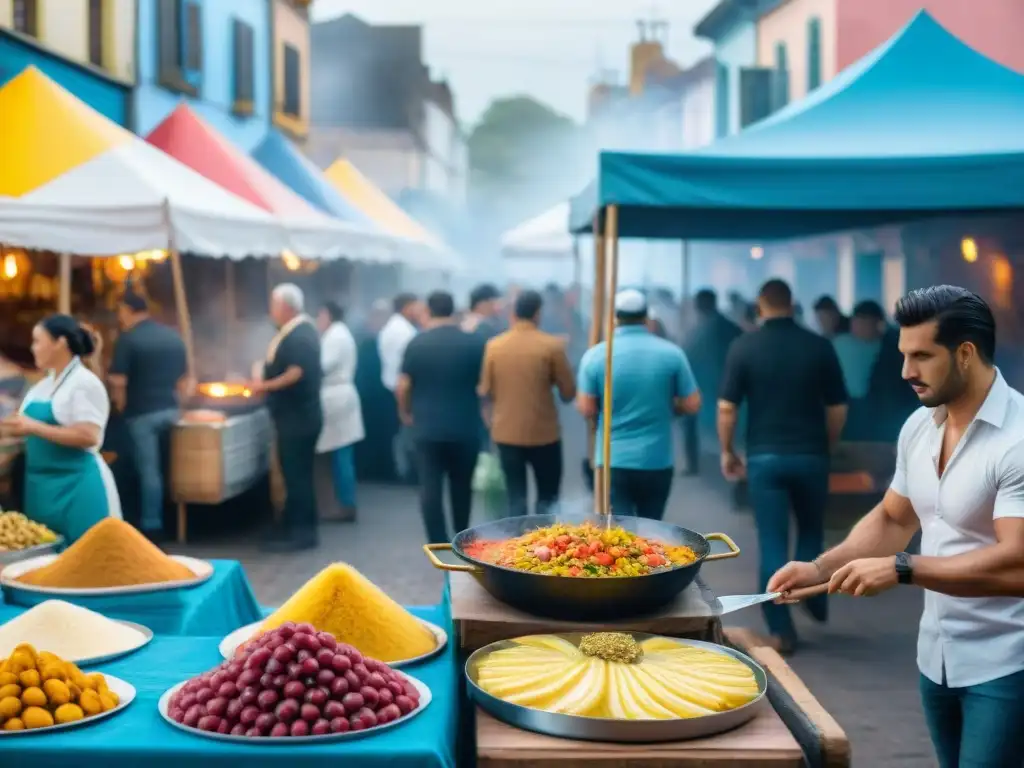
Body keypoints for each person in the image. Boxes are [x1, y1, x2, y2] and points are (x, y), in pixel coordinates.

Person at [768, 286, 1024, 767]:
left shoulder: (1018, 440)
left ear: (965, 354)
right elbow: (893, 517)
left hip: (1008, 662)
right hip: (936, 656)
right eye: (905, 354)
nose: (906, 370)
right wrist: (820, 569)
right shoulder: (920, 426)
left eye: (923, 356)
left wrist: (904, 568)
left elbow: (1018, 559)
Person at [718, 279, 848, 653]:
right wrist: (828, 444)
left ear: (761, 305)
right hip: (811, 455)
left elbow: (727, 408)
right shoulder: (819, 346)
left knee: (772, 540)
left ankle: (781, 629)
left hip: (764, 458)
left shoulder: (744, 346)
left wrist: (728, 451)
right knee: (810, 531)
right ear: (792, 304)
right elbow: (838, 407)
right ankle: (813, 593)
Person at [577, 289, 701, 520]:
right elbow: (692, 403)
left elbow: (586, 407)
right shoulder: (672, 354)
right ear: (647, 318)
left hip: (612, 460)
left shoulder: (596, 356)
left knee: (621, 536)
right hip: (657, 460)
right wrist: (669, 408)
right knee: (652, 531)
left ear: (614, 318)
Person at [2, 315, 122, 543]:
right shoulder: (42, 386)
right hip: (41, 488)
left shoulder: (84, 383)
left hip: (77, 489)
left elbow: (88, 435)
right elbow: (26, 426)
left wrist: (34, 427)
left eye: (38, 341)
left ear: (61, 343)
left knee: (88, 560)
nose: (32, 348)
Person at [397, 291, 485, 544]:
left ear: (429, 310)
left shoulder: (416, 343)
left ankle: (437, 542)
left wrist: (405, 413)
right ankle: (461, 538)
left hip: (426, 427)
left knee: (429, 486)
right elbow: (484, 385)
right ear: (452, 310)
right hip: (466, 426)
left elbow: (403, 386)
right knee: (462, 486)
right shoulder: (474, 342)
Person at [479, 290, 576, 517]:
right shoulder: (552, 346)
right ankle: (545, 546)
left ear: (513, 314)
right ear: (538, 313)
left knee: (515, 497)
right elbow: (568, 392)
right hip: (545, 434)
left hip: (506, 433)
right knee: (548, 498)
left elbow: (485, 390)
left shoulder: (494, 346)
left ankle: (516, 544)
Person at [108, 292, 188, 541]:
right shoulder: (173, 337)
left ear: (128, 309)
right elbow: (184, 380)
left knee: (149, 472)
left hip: (142, 414)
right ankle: (178, 520)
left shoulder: (128, 340)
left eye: (120, 311)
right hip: (171, 410)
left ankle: (151, 527)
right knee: (171, 467)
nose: (119, 317)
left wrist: (120, 408)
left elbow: (118, 381)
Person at [250, 284, 323, 552]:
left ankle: (302, 533)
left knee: (297, 476)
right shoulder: (295, 332)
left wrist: (264, 386)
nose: (271, 311)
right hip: (295, 418)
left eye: (273, 305)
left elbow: (296, 373)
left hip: (299, 419)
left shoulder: (300, 335)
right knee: (295, 474)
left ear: (285, 307)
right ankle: (293, 525)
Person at [684, 289, 742, 476]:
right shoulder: (730, 327)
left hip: (703, 388)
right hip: (727, 386)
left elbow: (688, 358)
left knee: (693, 424)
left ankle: (695, 465)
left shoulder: (697, 331)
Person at [315, 301, 363, 516]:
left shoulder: (335, 336)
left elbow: (322, 366)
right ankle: (344, 502)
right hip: (341, 396)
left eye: (319, 316)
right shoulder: (339, 333)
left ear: (327, 314)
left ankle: (345, 504)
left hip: (337, 398)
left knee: (341, 453)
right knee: (342, 452)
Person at [378, 293, 422, 483]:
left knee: (398, 434)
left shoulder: (393, 327)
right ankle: (406, 473)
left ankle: (400, 470)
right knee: (405, 435)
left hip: (392, 386)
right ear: (406, 307)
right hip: (400, 389)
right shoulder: (404, 332)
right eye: (416, 306)